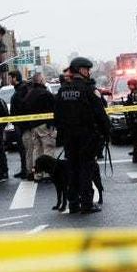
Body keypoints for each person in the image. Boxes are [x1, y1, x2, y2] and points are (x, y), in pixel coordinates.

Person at [54, 57, 109, 214]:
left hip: (69, 137)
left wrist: (62, 133)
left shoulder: (63, 90)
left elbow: (56, 115)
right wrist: (106, 132)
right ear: (80, 70)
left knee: (72, 168)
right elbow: (100, 114)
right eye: (86, 69)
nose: (88, 72)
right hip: (87, 136)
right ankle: (86, 203)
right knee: (86, 169)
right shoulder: (88, 90)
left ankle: (73, 202)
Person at [23, 73, 57, 179]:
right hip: (45, 125)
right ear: (41, 80)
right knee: (48, 148)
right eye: (44, 78)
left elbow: (25, 109)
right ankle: (48, 172)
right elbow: (54, 108)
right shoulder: (45, 93)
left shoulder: (29, 95)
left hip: (33, 126)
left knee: (37, 150)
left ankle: (38, 174)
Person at [8, 71, 31, 179]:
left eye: (10, 78)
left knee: (24, 148)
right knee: (22, 149)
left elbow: (23, 106)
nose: (9, 80)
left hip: (22, 125)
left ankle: (27, 170)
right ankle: (24, 169)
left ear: (15, 78)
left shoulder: (22, 90)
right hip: (19, 124)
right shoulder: (19, 89)